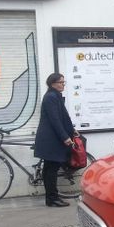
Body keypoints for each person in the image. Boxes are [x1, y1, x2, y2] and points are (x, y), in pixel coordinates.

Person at [34, 72, 77, 207]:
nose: (63, 84)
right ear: (52, 83)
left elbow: (62, 117)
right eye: (60, 82)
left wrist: (72, 130)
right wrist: (65, 137)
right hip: (51, 140)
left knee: (50, 169)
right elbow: (55, 120)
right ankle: (52, 199)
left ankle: (52, 198)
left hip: (52, 139)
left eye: (64, 82)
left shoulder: (55, 96)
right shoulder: (51, 97)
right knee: (51, 170)